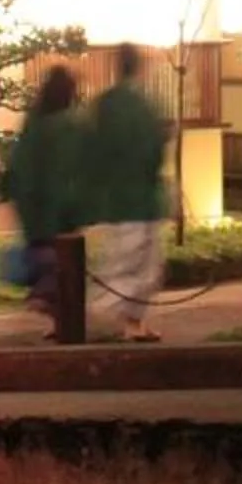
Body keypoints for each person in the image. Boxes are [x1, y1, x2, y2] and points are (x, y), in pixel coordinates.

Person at [84, 43, 173, 342]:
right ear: (139, 67)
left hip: (114, 197)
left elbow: (94, 148)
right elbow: (153, 150)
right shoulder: (143, 104)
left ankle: (131, 323)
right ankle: (103, 313)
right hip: (140, 198)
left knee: (123, 261)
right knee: (142, 266)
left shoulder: (104, 103)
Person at [6, 66, 85, 340]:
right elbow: (75, 169)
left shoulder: (34, 122)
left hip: (32, 208)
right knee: (63, 268)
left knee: (43, 258)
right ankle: (46, 301)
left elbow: (17, 163)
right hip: (59, 210)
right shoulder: (68, 125)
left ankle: (53, 314)